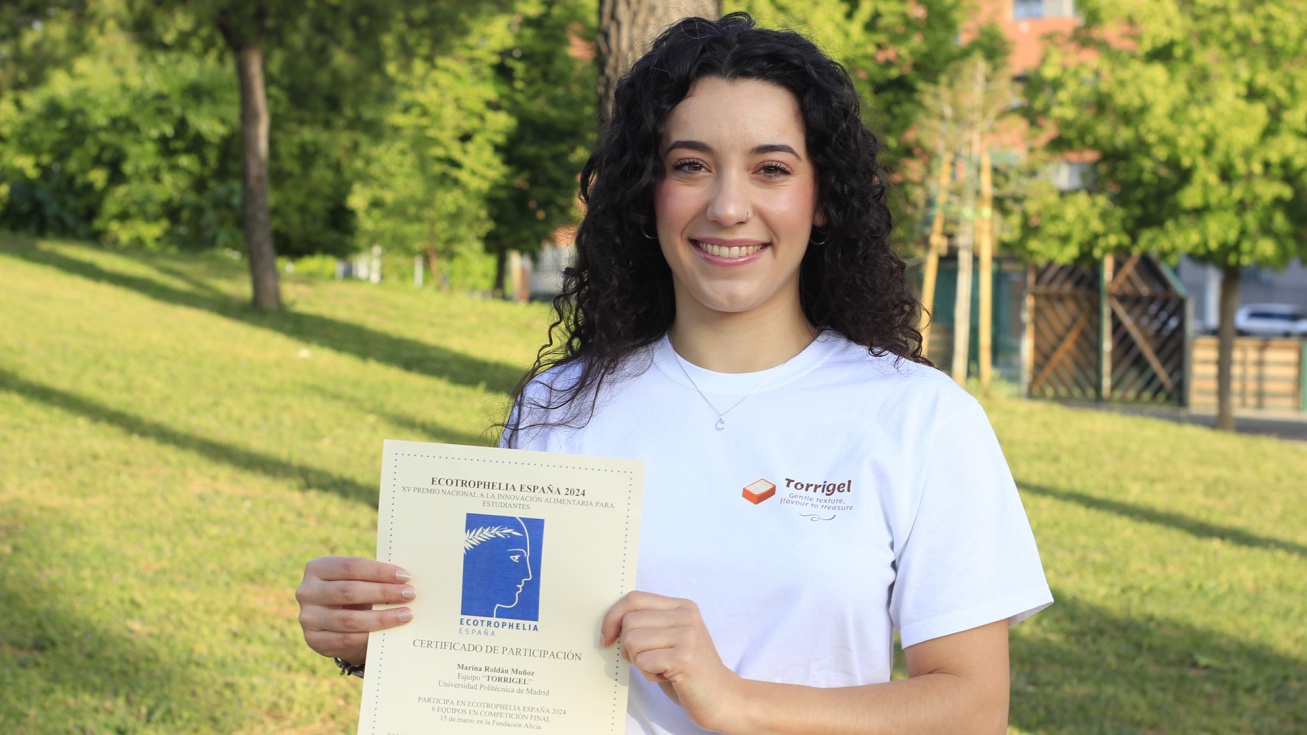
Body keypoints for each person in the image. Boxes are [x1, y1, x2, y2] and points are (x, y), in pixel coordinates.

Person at [296, 13, 1052, 734]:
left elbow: (970, 707)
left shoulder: (919, 417)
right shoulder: (559, 406)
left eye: (770, 169)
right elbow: (498, 663)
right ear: (646, 194)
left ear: (820, 201)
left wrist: (737, 701)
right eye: (690, 165)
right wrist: (375, 638)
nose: (728, 206)